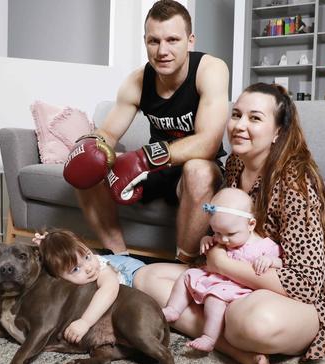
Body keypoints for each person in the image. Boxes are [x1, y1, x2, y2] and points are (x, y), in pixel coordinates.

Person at [134, 83, 325, 364]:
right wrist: (212, 243)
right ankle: (233, 347)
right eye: (236, 115)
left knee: (252, 323)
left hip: (293, 299)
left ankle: (227, 330)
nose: (239, 125)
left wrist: (222, 265)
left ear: (278, 132)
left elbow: (305, 285)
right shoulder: (236, 163)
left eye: (255, 118)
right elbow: (228, 230)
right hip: (233, 284)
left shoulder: (296, 184)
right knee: (145, 280)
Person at [62, 0, 230, 263]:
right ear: (145, 42)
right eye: (154, 41)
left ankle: (182, 264)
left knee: (198, 170)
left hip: (193, 171)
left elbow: (208, 143)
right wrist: (90, 143)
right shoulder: (137, 81)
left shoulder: (210, 70)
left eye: (173, 40)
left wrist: (143, 158)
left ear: (190, 40)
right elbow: (109, 132)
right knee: (91, 170)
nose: (163, 50)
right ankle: (119, 259)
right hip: (155, 170)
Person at [161, 188, 282, 352]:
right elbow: (212, 244)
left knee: (214, 299)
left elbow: (283, 264)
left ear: (251, 224)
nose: (223, 240)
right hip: (217, 277)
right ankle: (173, 309)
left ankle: (209, 337)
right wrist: (206, 239)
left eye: (230, 234)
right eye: (217, 232)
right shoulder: (222, 238)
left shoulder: (265, 246)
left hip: (238, 286)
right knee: (187, 275)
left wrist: (270, 261)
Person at [32, 229, 146, 343]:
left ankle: (164, 306)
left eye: (87, 257)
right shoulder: (65, 282)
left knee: (146, 282)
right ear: (58, 278)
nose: (88, 268)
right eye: (76, 269)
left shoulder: (101, 270)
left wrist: (85, 322)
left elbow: (109, 289)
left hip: (133, 273)